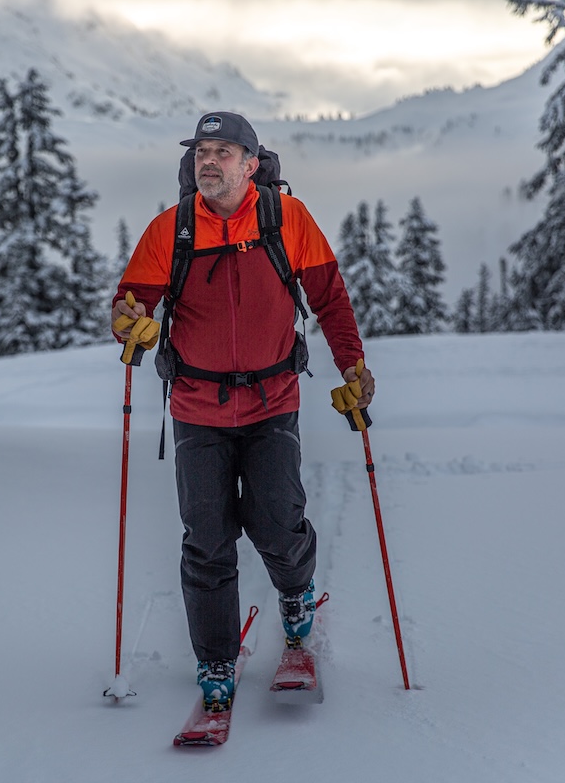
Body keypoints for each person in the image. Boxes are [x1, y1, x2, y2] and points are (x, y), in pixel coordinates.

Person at [111, 111, 373, 713]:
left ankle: (296, 594)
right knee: (206, 540)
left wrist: (353, 367)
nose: (210, 160)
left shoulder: (286, 219)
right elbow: (130, 304)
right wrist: (129, 323)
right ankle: (216, 662)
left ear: (252, 165)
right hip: (197, 406)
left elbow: (330, 298)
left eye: (224, 151)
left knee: (278, 523)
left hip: (272, 399)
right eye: (203, 151)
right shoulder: (170, 230)